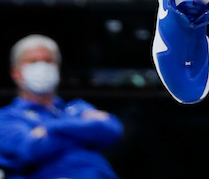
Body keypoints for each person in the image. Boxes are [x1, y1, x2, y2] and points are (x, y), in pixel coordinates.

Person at [0, 35, 122, 179]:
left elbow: (111, 129)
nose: (42, 67)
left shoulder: (76, 107)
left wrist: (50, 128)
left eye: (48, 61)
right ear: (16, 73)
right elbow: (30, 149)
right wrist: (83, 132)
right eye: (33, 61)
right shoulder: (7, 117)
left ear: (57, 68)